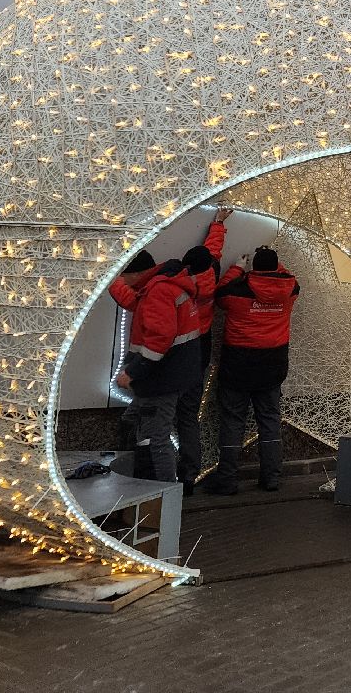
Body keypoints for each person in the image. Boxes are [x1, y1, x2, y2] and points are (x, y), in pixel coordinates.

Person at [205, 246, 300, 495]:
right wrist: (271, 265)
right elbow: (286, 275)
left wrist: (238, 267)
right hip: (273, 365)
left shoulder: (237, 290)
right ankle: (271, 478)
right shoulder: (290, 289)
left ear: (254, 267)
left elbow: (219, 293)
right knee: (269, 422)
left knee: (233, 422)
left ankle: (227, 480)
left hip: (238, 365)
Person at [110, 250, 201, 482]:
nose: (123, 280)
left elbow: (159, 339)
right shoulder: (164, 284)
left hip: (161, 378)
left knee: (155, 439)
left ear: (138, 273)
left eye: (125, 275)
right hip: (176, 373)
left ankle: (162, 498)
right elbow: (136, 303)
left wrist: (132, 372)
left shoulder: (158, 291)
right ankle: (150, 485)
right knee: (137, 422)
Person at [172, 208, 232, 494]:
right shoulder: (212, 275)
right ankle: (188, 477)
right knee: (188, 419)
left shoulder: (176, 288)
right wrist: (218, 224)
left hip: (174, 360)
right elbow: (213, 253)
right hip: (199, 355)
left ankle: (155, 481)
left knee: (156, 418)